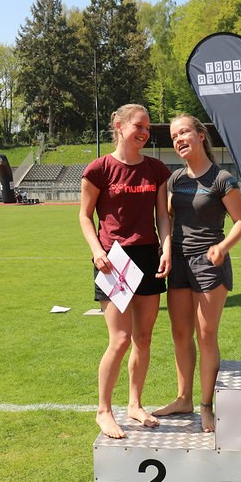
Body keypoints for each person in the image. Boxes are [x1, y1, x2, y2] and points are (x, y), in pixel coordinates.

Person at [79, 104, 172, 439]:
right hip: (114, 260)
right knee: (119, 339)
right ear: (118, 126)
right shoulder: (99, 169)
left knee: (143, 338)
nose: (145, 132)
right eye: (139, 125)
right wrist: (96, 250)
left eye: (148, 127)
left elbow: (163, 215)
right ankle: (103, 410)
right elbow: (84, 216)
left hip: (148, 256)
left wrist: (167, 246)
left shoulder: (157, 170)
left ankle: (134, 404)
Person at [154, 114, 241, 433]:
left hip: (210, 262)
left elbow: (240, 222)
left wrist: (222, 247)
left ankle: (207, 405)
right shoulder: (175, 179)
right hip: (178, 261)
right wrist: (166, 248)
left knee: (206, 335)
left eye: (184, 132)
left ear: (200, 135)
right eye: (174, 136)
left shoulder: (223, 179)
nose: (179, 139)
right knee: (181, 334)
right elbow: (166, 218)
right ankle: (184, 399)